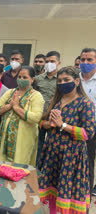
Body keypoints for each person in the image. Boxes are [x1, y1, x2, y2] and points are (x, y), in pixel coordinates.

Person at [39, 66, 95, 214]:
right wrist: (48, 124)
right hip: (52, 154)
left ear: (77, 81)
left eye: (66, 80)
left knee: (67, 195)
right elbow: (42, 123)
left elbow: (87, 133)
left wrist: (63, 125)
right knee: (53, 192)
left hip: (71, 157)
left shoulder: (85, 104)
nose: (63, 83)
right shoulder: (56, 100)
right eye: (60, 81)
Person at [0, 66, 44, 165]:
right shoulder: (11, 92)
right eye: (19, 77)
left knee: (19, 167)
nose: (21, 79)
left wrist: (16, 108)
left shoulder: (36, 96)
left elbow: (36, 117)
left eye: (25, 77)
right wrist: (10, 106)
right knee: (2, 166)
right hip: (4, 139)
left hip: (23, 141)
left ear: (32, 79)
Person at [34, 51, 61, 166]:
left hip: (55, 119)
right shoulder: (37, 79)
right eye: (48, 61)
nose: (49, 64)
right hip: (39, 118)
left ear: (58, 63)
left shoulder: (61, 79)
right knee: (37, 146)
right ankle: (37, 170)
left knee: (52, 148)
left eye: (52, 61)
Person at [79, 48, 96, 195]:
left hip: (92, 130)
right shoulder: (74, 78)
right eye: (83, 60)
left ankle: (86, 194)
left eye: (89, 60)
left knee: (88, 162)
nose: (85, 63)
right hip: (71, 127)